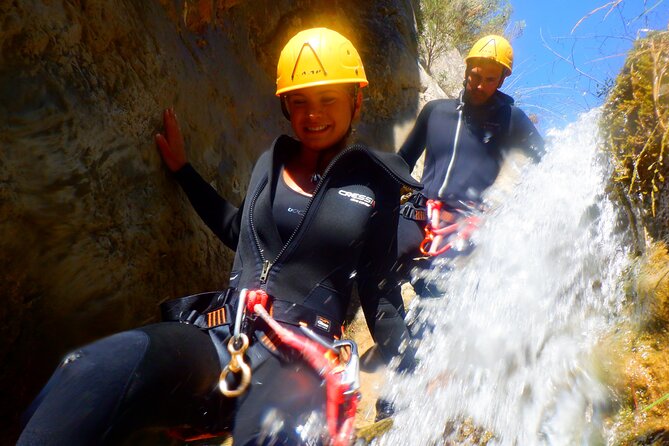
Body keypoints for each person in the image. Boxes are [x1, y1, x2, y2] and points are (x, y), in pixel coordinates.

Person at [17, 27, 420, 446]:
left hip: (301, 358)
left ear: (356, 99)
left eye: (327, 99)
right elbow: (239, 231)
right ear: (285, 106)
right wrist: (183, 172)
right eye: (298, 101)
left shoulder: (376, 182)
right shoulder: (272, 161)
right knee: (89, 370)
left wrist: (412, 367)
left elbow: (379, 290)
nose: (312, 114)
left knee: (270, 436)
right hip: (221, 334)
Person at [394, 34, 545, 298]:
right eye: (476, 75)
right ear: (466, 70)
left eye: (489, 80)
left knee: (436, 301)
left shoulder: (512, 121)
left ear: (501, 80)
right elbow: (403, 161)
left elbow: (547, 163)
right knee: (374, 265)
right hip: (419, 214)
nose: (479, 85)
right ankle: (387, 335)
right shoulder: (436, 112)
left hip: (464, 228)